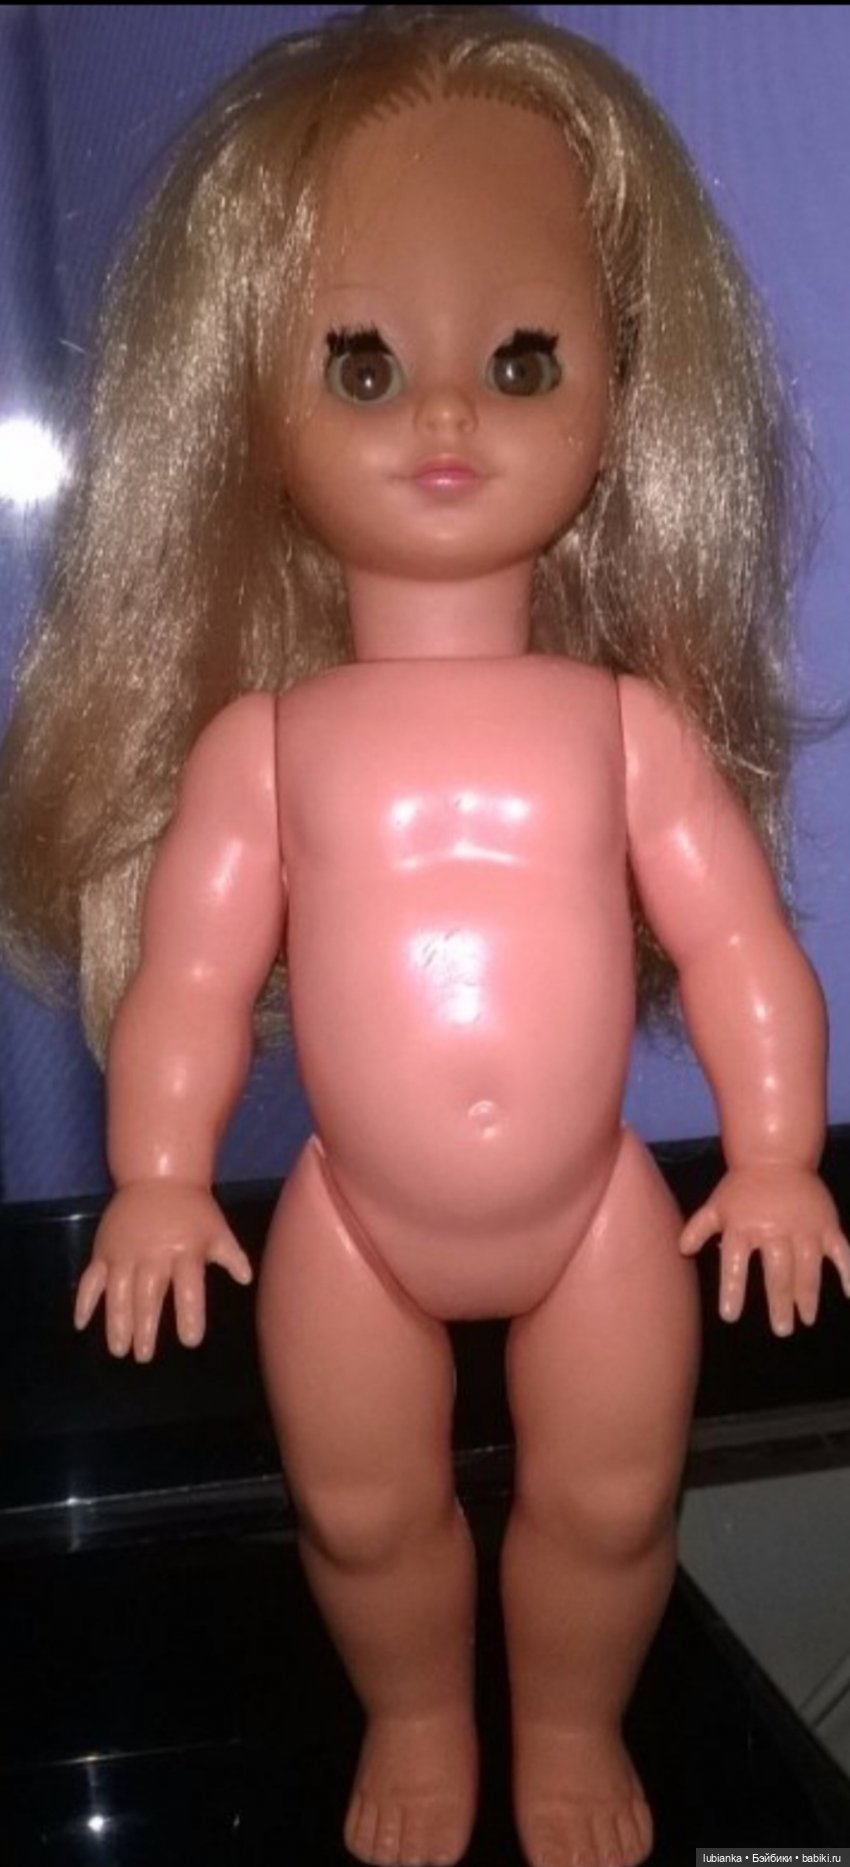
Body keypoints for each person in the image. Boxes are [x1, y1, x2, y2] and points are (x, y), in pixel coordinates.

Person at [2, 10, 848, 1864]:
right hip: (354, 1227)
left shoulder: (620, 727)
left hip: (595, 1210)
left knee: (610, 1508)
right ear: (253, 404)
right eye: (363, 366)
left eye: (521, 360)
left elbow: (734, 946)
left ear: (618, 391)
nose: (447, 419)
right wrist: (157, 1178)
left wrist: (776, 1151)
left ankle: (569, 1728)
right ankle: (411, 1718)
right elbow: (190, 978)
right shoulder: (268, 745)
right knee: (365, 1514)